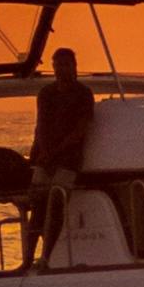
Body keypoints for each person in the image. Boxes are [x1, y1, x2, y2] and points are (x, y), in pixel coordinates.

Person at [26, 45, 95, 262]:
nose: (60, 70)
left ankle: (47, 257)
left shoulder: (83, 93)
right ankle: (27, 258)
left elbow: (80, 130)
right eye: (57, 65)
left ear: (74, 66)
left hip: (68, 160)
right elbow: (41, 125)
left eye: (65, 65)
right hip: (45, 158)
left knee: (55, 210)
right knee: (37, 209)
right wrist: (42, 153)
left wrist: (56, 152)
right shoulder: (46, 93)